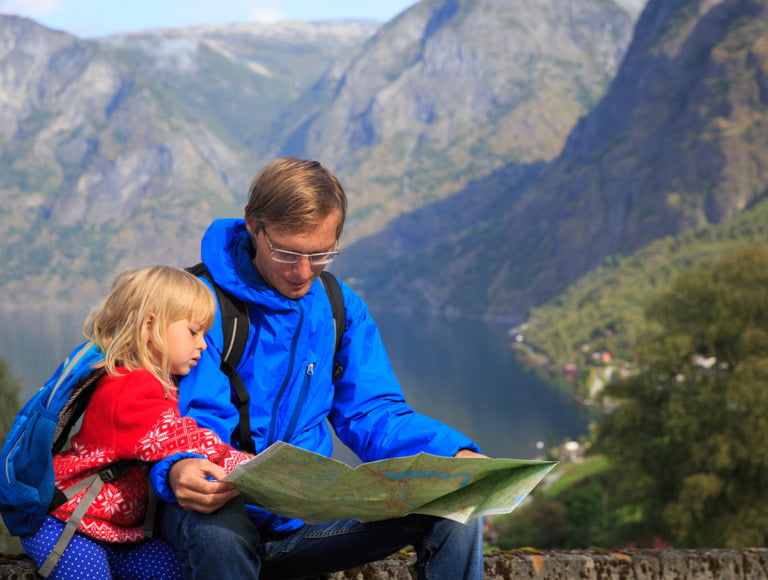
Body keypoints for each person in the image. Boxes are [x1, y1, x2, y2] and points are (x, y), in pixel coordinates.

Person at [150, 157, 487, 579]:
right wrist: (179, 466)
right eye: (288, 253)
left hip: (302, 519)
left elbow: (372, 412)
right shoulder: (195, 305)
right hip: (210, 505)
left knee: (458, 507)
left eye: (321, 254)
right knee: (221, 531)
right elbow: (161, 413)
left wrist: (451, 456)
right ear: (254, 225)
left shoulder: (337, 308)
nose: (303, 272)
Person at [21, 266, 252, 579]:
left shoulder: (158, 383)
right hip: (68, 523)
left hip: (117, 532)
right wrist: (251, 467)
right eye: (193, 332)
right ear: (150, 325)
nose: (202, 344)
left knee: (175, 571)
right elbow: (176, 438)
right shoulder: (128, 386)